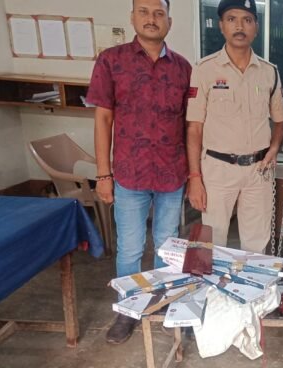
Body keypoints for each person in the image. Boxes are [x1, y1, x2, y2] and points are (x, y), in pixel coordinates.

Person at [87, 0, 192, 344]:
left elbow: (190, 123)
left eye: (159, 13)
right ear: (132, 17)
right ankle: (128, 310)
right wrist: (103, 174)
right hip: (129, 173)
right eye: (144, 12)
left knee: (167, 245)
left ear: (169, 22)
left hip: (171, 172)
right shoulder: (111, 61)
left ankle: (166, 304)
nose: (151, 19)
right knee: (130, 247)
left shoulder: (183, 68)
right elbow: (103, 118)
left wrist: (193, 174)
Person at [186, 0, 283, 252]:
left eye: (247, 20)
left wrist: (275, 147)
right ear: (221, 25)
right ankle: (214, 281)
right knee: (212, 243)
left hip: (258, 170)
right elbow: (194, 128)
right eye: (232, 19)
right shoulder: (204, 70)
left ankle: (252, 281)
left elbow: (280, 119)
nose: (240, 26)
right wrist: (195, 177)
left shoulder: (269, 72)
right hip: (217, 169)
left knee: (256, 244)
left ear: (256, 27)